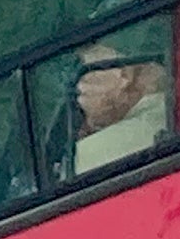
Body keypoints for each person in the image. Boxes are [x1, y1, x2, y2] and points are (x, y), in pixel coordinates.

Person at [70, 38, 172, 173]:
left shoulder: (91, 152)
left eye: (86, 74)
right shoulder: (170, 110)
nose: (80, 88)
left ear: (124, 75)